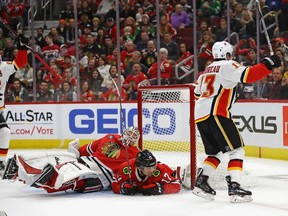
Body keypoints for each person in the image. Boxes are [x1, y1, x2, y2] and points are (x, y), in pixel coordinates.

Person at [193, 41, 281, 203]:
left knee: (216, 153)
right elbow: (249, 75)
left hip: (200, 115)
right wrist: (268, 63)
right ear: (227, 54)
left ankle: (201, 181)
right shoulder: (227, 65)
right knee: (237, 150)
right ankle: (235, 186)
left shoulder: (205, 72)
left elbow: (197, 94)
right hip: (216, 113)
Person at [2, 127, 141, 194]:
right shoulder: (110, 137)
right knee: (60, 166)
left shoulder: (135, 154)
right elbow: (88, 149)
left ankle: (28, 176)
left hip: (100, 176)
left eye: (134, 136)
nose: (130, 137)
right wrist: (75, 151)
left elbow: (139, 170)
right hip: (85, 163)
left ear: (136, 141)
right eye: (129, 133)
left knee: (70, 179)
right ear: (124, 132)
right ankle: (22, 173)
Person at [0, 36, 28, 176]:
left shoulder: (4, 67)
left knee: (4, 132)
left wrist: (22, 48)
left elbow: (21, 62)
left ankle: (1, 163)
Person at [111, 149, 181, 195]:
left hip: (168, 171)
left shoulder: (159, 170)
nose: (152, 170)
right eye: (148, 168)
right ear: (139, 167)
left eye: (154, 166)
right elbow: (114, 183)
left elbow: (176, 185)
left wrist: (159, 189)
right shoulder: (126, 169)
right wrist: (122, 188)